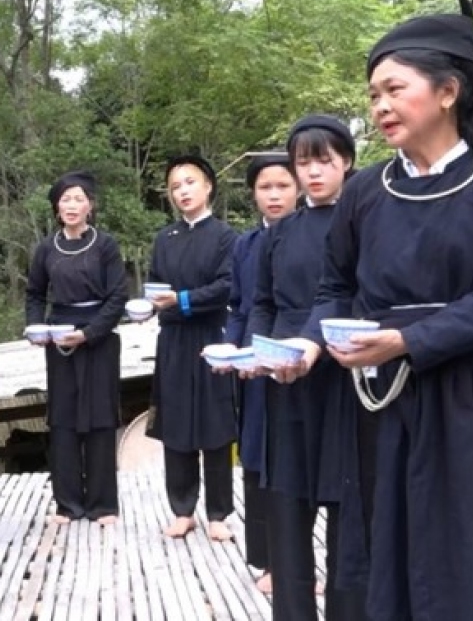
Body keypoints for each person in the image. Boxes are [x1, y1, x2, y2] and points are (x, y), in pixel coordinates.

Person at [278, 0, 473, 620]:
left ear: (449, 91)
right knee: (392, 562)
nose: (379, 106)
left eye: (393, 89)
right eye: (373, 93)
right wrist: (308, 343)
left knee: (469, 561)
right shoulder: (366, 193)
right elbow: (335, 289)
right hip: (385, 403)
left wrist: (406, 341)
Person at [242, 116, 365, 620]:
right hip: (285, 380)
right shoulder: (280, 233)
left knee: (347, 506)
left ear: (347, 162)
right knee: (287, 504)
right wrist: (257, 352)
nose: (313, 172)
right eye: (303, 163)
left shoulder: (365, 220)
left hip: (346, 374)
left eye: (324, 160)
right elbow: (263, 303)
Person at [25, 171, 128, 524]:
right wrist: (36, 327)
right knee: (64, 419)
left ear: (90, 205)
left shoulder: (105, 245)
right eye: (65, 199)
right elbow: (35, 293)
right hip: (59, 338)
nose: (72, 205)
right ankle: (67, 504)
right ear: (56, 206)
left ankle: (103, 504)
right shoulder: (45, 248)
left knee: (100, 418)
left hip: (97, 338)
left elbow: (118, 296)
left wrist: (89, 334)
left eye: (79, 198)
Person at [145, 154, 238, 541]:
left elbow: (227, 286)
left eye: (189, 182)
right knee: (177, 423)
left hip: (211, 336)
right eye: (175, 187)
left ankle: (218, 513)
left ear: (208, 186)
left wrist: (182, 300)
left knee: (215, 424)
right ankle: (182, 509)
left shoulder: (226, 236)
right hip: (173, 341)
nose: (182, 191)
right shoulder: (165, 239)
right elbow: (154, 285)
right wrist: (149, 304)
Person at [220, 151, 297, 594]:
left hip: (299, 360)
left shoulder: (318, 235)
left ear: (298, 188)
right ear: (253, 194)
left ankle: (304, 562)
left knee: (298, 464)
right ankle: (267, 562)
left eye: (282, 186)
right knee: (257, 459)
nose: (273, 195)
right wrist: (232, 349)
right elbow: (237, 307)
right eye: (265, 187)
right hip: (253, 369)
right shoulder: (245, 246)